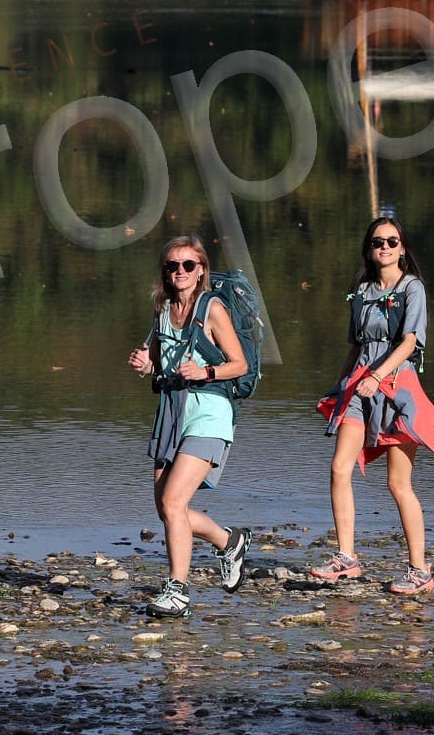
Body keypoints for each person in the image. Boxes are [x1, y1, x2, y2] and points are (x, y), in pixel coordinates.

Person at [312, 217, 434, 595]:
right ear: (369, 248)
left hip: (396, 387)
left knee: (398, 483)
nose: (385, 247)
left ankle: (419, 570)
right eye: (378, 242)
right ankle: (346, 558)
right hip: (359, 387)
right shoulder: (361, 292)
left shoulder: (412, 288)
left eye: (392, 241)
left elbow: (410, 343)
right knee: (339, 466)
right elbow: (356, 346)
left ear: (403, 248)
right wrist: (339, 387)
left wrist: (377, 377)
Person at [127, 235, 251, 616]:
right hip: (171, 412)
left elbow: (240, 364)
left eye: (188, 265)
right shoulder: (163, 310)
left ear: (201, 271)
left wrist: (205, 371)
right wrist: (146, 364)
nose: (180, 272)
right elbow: (162, 361)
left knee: (174, 501)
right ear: (165, 273)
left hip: (209, 413)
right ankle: (229, 541)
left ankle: (177, 589)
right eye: (172, 266)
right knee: (167, 510)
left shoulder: (211, 308)